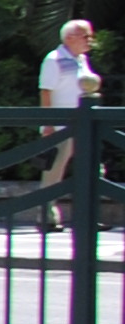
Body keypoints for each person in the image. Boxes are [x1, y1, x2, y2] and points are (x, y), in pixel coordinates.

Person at [41, 17, 98, 228]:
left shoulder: (81, 60)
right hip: (61, 127)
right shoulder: (53, 59)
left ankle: (90, 217)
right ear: (70, 37)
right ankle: (47, 217)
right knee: (54, 173)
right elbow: (46, 91)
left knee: (93, 170)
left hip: (83, 126)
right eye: (86, 36)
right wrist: (47, 123)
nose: (90, 40)